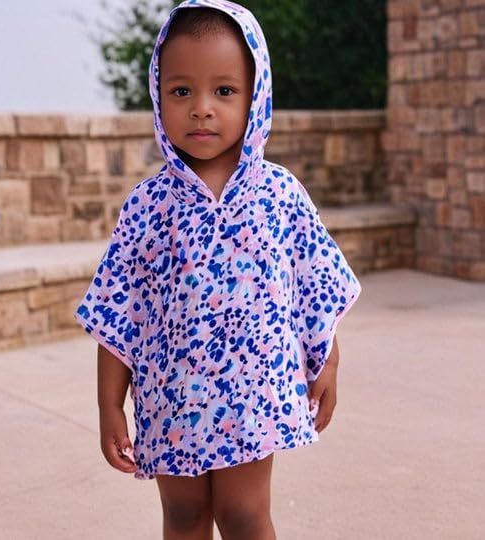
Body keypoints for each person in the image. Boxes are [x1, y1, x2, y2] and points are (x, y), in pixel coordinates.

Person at [74, 1, 362, 538]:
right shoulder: (147, 206)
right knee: (183, 515)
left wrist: (327, 362)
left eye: (224, 91)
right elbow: (119, 315)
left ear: (256, 96)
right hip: (171, 396)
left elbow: (316, 286)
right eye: (182, 91)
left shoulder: (279, 194)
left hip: (253, 393)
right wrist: (109, 405)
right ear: (158, 95)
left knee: (243, 514)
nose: (201, 109)